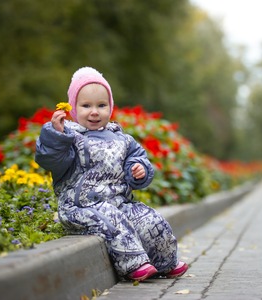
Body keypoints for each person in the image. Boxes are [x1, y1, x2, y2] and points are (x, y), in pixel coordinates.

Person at [35, 67, 188, 282]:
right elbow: (50, 159)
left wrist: (138, 169)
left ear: (110, 107)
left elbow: (138, 157)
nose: (94, 111)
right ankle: (133, 264)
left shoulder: (122, 139)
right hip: (80, 207)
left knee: (150, 219)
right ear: (74, 109)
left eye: (101, 105)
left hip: (120, 203)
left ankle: (165, 262)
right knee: (112, 219)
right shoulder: (69, 137)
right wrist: (56, 136)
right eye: (86, 106)